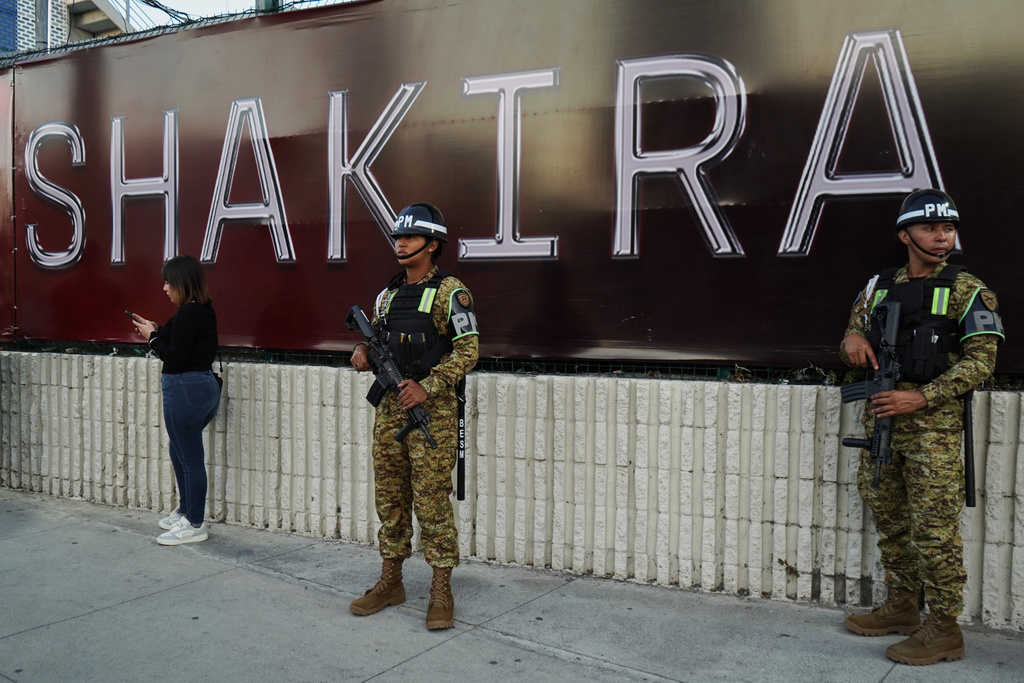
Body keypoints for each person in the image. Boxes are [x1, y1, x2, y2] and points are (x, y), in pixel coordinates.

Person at [840, 189, 1003, 665]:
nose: (941, 236)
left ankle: (945, 628)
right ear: (905, 235)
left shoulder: (969, 290)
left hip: (933, 430)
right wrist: (851, 339)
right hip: (882, 420)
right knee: (890, 520)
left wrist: (922, 396)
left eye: (948, 228)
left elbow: (981, 362)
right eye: (930, 228)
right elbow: (854, 329)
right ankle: (902, 606)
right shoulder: (879, 286)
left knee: (934, 530)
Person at [349, 202, 479, 630]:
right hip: (390, 410)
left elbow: (468, 351)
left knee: (431, 501)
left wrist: (430, 385)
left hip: (431, 414)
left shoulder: (450, 292)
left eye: (410, 237)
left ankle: (441, 589)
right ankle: (391, 581)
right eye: (398, 237)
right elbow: (377, 337)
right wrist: (362, 350)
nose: (401, 244)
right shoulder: (386, 295)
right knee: (390, 497)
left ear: (433, 244)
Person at [132, 254, 221, 546]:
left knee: (190, 458)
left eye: (169, 282)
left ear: (182, 282)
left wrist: (151, 338)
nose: (165, 288)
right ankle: (185, 512)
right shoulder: (202, 310)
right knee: (179, 450)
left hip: (185, 389)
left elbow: (173, 357)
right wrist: (155, 330)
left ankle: (194, 523)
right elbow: (176, 340)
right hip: (203, 388)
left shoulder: (188, 314)